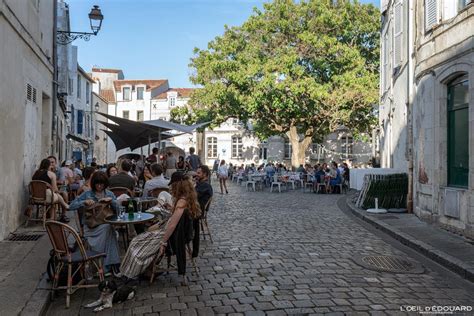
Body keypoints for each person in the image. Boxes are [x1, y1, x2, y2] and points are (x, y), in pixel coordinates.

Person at [120, 172, 201, 279]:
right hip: (180, 232)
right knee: (144, 235)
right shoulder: (189, 198)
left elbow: (172, 225)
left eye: (173, 185)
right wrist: (172, 209)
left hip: (175, 235)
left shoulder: (182, 201)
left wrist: (163, 242)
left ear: (178, 185)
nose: (172, 187)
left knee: (136, 242)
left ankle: (130, 271)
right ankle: (145, 268)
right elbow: (180, 218)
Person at [69, 171, 121, 274]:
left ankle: (107, 266)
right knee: (110, 230)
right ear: (94, 184)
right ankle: (112, 265)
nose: (99, 186)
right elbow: (71, 206)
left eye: (102, 184)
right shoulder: (88, 194)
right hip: (91, 227)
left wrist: (112, 201)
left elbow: (118, 210)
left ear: (105, 184)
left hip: (105, 225)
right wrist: (83, 202)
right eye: (97, 184)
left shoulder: (109, 193)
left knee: (109, 229)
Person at [192, 165, 213, 258]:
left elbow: (193, 196)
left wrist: (192, 186)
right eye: (197, 172)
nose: (196, 174)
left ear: (205, 174)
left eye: (199, 173)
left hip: (198, 212)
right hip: (195, 209)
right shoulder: (200, 184)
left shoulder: (205, 185)